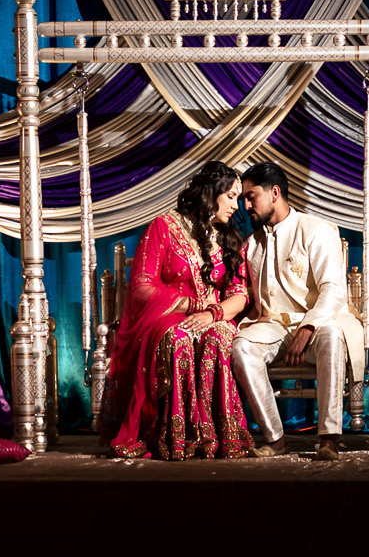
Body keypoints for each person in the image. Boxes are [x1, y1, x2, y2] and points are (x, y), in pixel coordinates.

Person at [98, 159, 256, 460]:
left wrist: (212, 314)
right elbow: (143, 286)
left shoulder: (231, 239)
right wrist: (192, 305)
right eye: (231, 196)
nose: (237, 206)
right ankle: (175, 436)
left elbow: (239, 294)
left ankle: (218, 436)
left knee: (218, 338)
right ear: (211, 193)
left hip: (216, 315)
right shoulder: (164, 227)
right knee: (179, 339)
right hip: (165, 316)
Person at [234, 162, 365, 461]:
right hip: (273, 325)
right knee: (241, 348)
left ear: (275, 193)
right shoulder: (252, 243)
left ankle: (328, 439)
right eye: (243, 198)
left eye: (251, 196)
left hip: (318, 321)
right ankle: (276, 439)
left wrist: (307, 328)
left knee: (332, 336)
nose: (245, 205)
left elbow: (333, 290)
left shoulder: (316, 230)